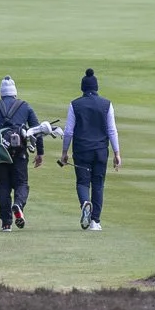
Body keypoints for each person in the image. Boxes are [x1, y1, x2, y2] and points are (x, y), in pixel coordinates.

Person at [59, 68, 122, 231]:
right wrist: (117, 153)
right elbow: (112, 130)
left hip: (81, 150)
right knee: (98, 184)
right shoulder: (106, 104)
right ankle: (95, 222)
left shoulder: (75, 104)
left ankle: (85, 203)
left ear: (83, 88)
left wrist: (64, 152)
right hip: (100, 151)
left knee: (82, 182)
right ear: (96, 87)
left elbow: (68, 131)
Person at [0, 76, 43, 231]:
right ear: (15, 92)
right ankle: (18, 204)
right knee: (21, 184)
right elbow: (37, 130)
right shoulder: (25, 107)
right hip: (20, 152)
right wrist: (40, 153)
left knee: (3, 186)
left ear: (1, 93)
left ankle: (6, 223)